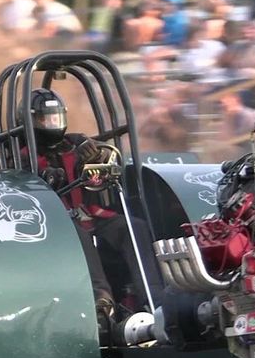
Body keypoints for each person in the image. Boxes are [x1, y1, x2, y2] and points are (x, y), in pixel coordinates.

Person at [18, 88, 155, 328]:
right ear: (30, 121)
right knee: (78, 236)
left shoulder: (76, 143)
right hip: (53, 222)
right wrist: (47, 175)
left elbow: (103, 168)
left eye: (55, 118)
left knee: (133, 227)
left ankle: (152, 294)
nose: (52, 124)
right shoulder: (23, 156)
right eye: (45, 119)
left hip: (88, 213)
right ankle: (100, 300)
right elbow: (25, 185)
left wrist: (97, 157)